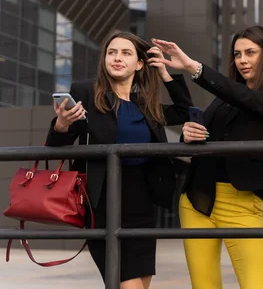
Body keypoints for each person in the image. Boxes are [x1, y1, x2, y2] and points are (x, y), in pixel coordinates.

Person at [45, 31, 192, 289]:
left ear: (139, 64)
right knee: (127, 285)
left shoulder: (146, 104)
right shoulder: (86, 93)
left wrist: (165, 74)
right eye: (112, 52)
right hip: (103, 204)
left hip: (143, 204)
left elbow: (184, 110)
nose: (117, 58)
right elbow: (57, 145)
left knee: (140, 284)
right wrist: (61, 124)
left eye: (126, 53)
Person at [150, 26, 263, 289]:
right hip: (197, 200)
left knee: (257, 285)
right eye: (237, 54)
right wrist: (188, 134)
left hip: (242, 202)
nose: (242, 60)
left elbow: (246, 99)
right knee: (204, 285)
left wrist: (193, 67)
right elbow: (198, 133)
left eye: (250, 52)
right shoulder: (221, 101)